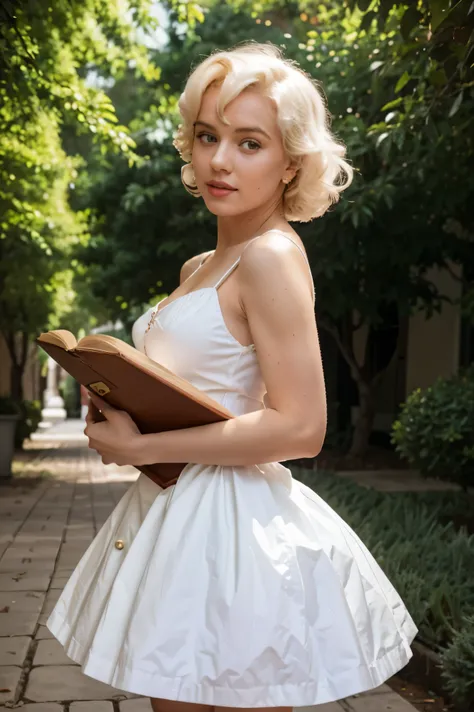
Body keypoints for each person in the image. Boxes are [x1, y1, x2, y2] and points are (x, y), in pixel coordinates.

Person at [47, 41, 418, 712]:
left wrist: (145, 448)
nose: (219, 160)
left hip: (235, 535)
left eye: (250, 143)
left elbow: (302, 427)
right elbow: (197, 384)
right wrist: (113, 391)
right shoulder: (201, 265)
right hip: (177, 512)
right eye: (207, 136)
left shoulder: (271, 257)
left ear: (290, 164)